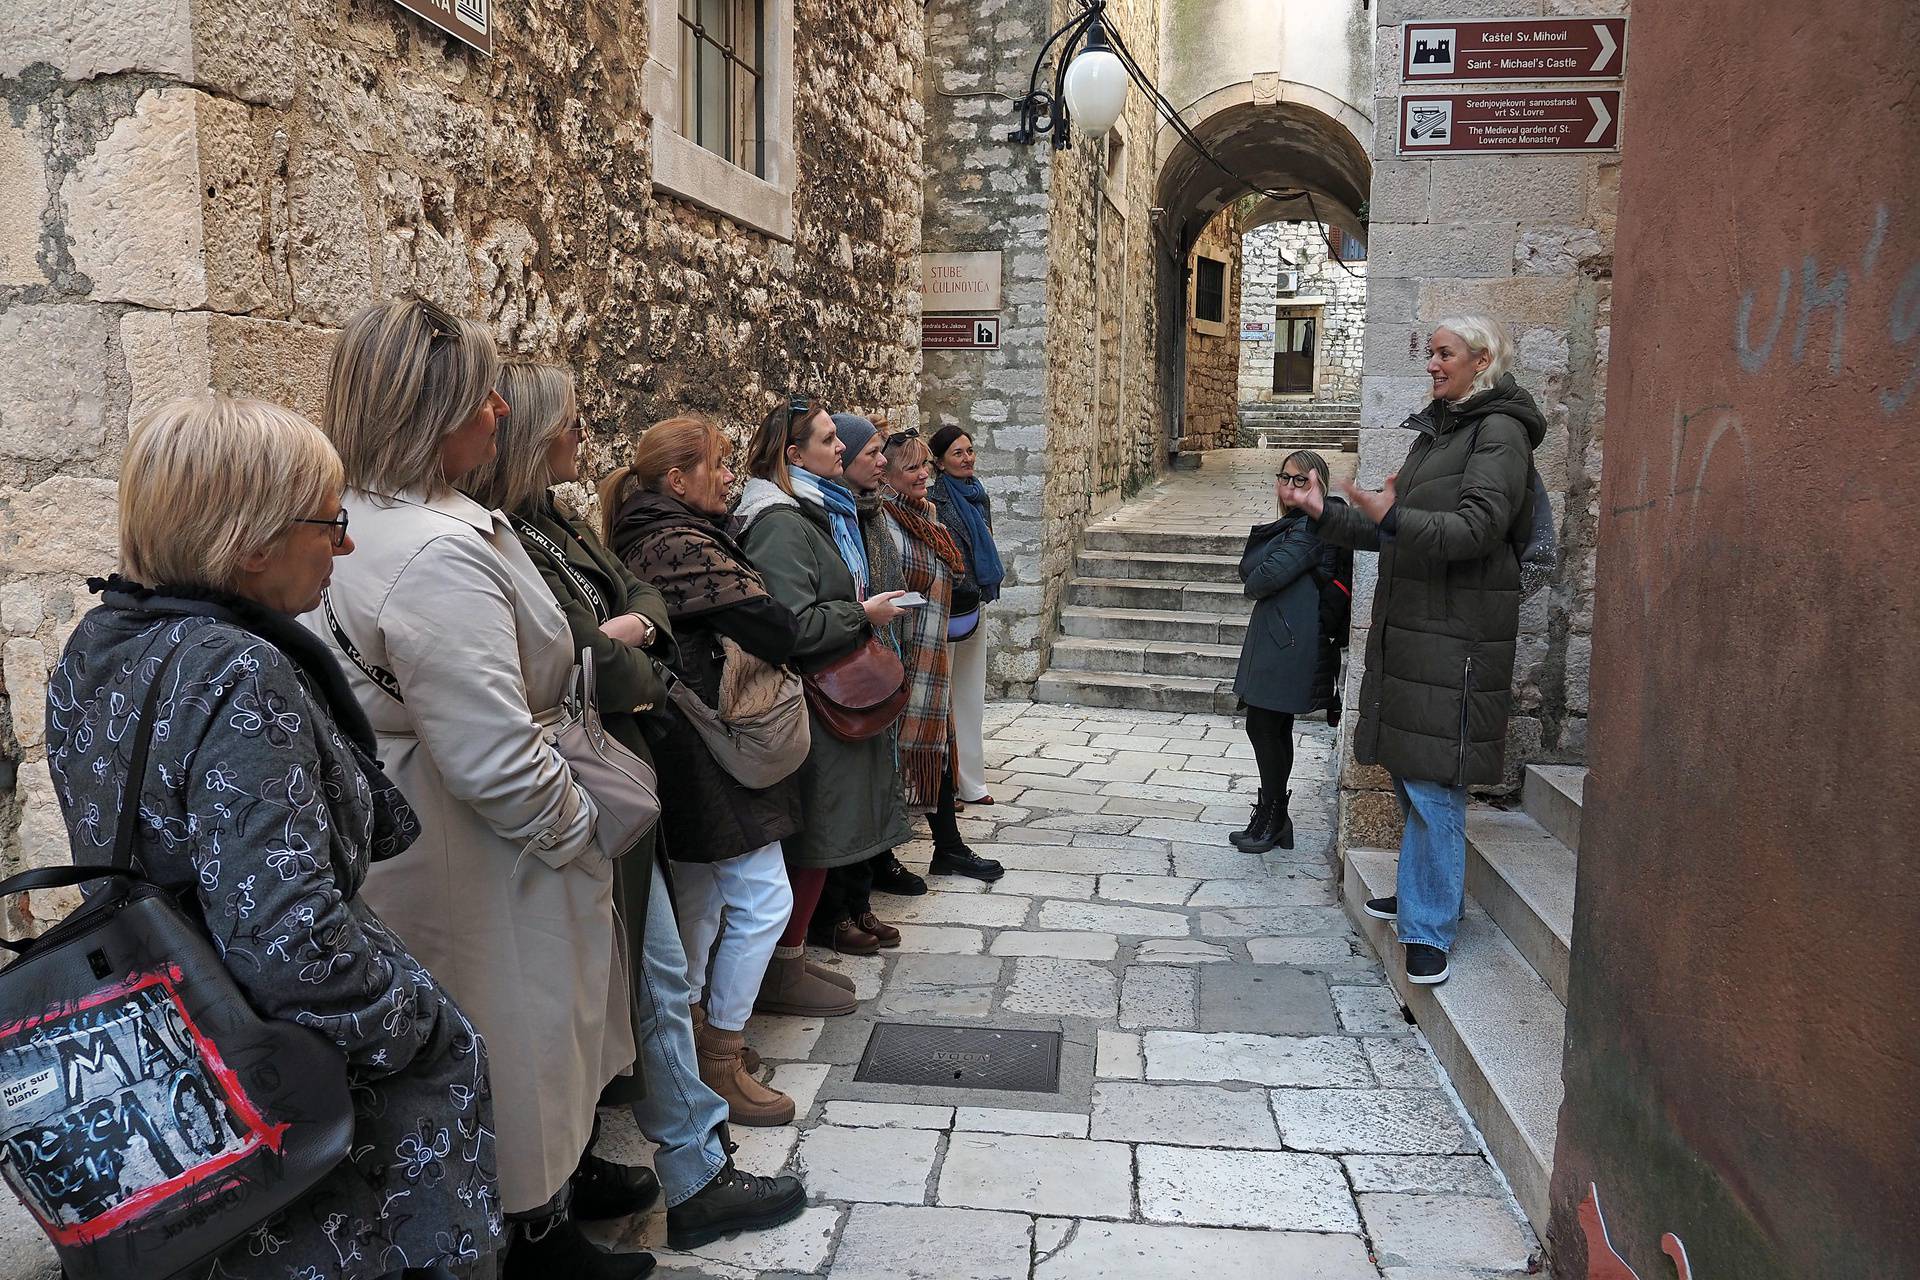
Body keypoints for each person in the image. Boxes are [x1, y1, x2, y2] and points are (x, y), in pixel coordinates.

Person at [311, 302, 798, 1271]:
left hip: (480, 839)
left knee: (543, 1033)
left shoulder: (399, 524)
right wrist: (585, 825)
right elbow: (498, 751)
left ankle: (553, 1201)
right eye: (476, 393)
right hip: (494, 850)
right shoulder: (433, 551)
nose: (497, 408)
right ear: (427, 408)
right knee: (521, 1039)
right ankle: (538, 1225)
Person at [43, 396, 499, 1279]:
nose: (346, 545)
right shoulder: (235, 670)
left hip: (173, 1036)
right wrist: (418, 1030)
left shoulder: (101, 642)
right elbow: (288, 937)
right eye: (329, 524)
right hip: (289, 1093)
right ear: (252, 544)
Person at [1282, 315, 1545, 987]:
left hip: (1457, 636)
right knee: (1410, 771)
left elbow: (1477, 528)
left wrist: (1389, 514)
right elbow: (1394, 529)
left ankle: (1429, 926)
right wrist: (1326, 513)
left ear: (1481, 360)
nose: (1431, 363)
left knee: (1434, 785)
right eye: (1429, 353)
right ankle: (1425, 890)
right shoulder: (1444, 432)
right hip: (1418, 629)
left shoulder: (1500, 433)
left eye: (1443, 353)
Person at [604, 414, 811, 1123]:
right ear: (678, 479)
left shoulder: (657, 534)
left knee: (700, 897)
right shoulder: (673, 544)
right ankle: (721, 1054)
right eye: (720, 464)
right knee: (763, 900)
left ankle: (691, 1041)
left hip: (685, 736)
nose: (731, 476)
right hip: (705, 741)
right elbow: (775, 625)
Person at [732, 398, 912, 1005]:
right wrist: (860, 614)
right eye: (830, 439)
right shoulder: (782, 523)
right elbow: (792, 623)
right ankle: (781, 970)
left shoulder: (804, 511)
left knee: (818, 838)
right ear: (793, 453)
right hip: (809, 699)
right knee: (809, 840)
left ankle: (792, 960)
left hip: (820, 696)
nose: (843, 448)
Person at [807, 414, 924, 956]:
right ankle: (836, 913)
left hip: (871, 652)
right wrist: (864, 614)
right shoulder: (827, 514)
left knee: (872, 780)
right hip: (841, 664)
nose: (883, 462)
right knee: (845, 793)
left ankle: (858, 901)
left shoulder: (862, 512)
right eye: (872, 453)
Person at [881, 428, 1003, 882]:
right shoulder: (887, 520)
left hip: (929, 649)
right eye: (911, 467)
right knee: (900, 756)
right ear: (887, 473)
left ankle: (948, 849)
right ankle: (884, 859)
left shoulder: (925, 513)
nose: (922, 475)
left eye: (923, 466)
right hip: (905, 653)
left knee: (938, 741)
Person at [1228, 450, 1343, 854]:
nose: (1290, 487)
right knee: (1268, 726)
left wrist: (1261, 569)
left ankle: (1274, 815)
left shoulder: (1311, 527)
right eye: (1285, 478)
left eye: (1301, 480)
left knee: (1265, 726)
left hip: (1293, 641)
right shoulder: (1293, 526)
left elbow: (1261, 578)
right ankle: (1273, 816)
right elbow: (1254, 570)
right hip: (1281, 637)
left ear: (1319, 485)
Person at [928, 425, 1005, 807]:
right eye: (958, 453)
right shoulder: (935, 499)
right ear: (940, 462)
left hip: (976, 601)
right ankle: (946, 780)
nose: (967, 458)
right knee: (944, 695)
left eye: (970, 451)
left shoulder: (978, 494)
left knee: (971, 693)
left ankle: (972, 781)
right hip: (948, 605)